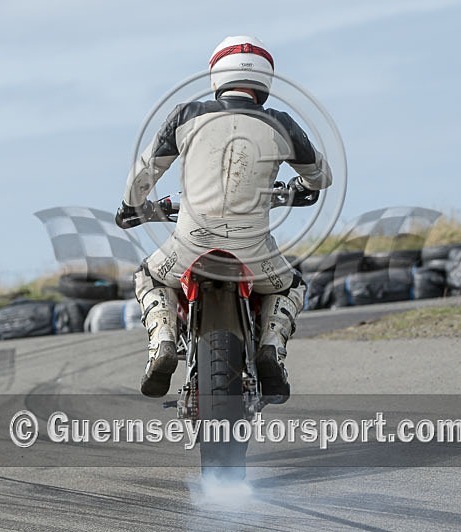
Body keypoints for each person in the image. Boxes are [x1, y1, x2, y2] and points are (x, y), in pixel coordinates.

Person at [116, 35, 332, 402]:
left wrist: (131, 206)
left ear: (216, 76)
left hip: (188, 247)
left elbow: (142, 176)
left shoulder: (186, 115)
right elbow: (321, 177)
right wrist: (299, 186)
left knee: (148, 276)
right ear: (265, 81)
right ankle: (271, 349)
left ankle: (163, 342)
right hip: (255, 256)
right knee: (291, 285)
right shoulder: (282, 124)